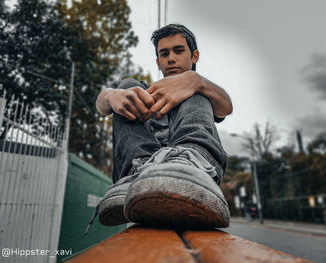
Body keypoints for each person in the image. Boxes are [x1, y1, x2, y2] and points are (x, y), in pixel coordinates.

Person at [85, 24, 233, 233]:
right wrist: (110, 95)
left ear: (194, 55)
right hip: (140, 172)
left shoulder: (201, 89)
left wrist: (196, 81)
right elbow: (101, 106)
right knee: (127, 88)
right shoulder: (146, 91)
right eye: (164, 54)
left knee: (197, 90)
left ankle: (191, 164)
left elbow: (226, 107)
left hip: (194, 172)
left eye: (179, 51)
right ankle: (137, 173)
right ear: (158, 61)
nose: (171, 58)